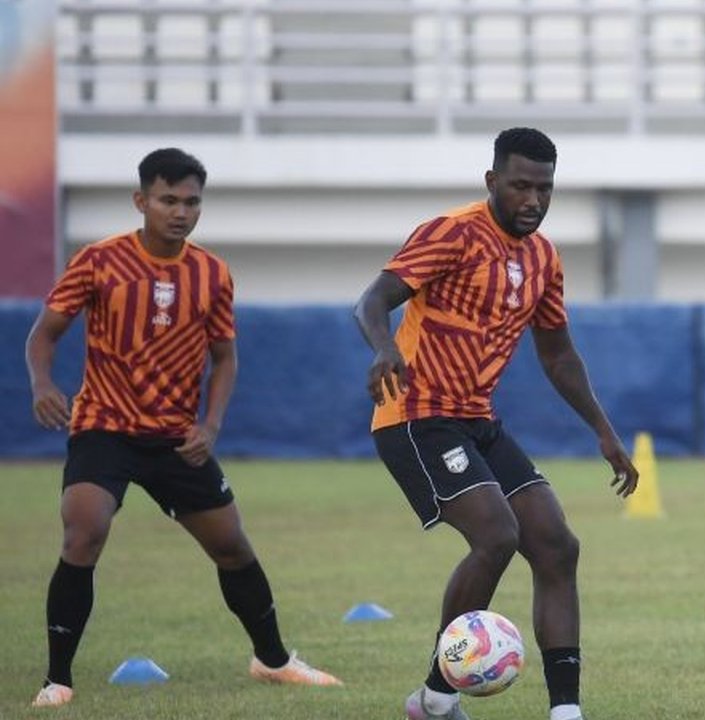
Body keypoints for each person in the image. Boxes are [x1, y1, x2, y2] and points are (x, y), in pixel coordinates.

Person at [24, 148, 341, 709]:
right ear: (141, 200)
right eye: (168, 200)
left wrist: (210, 426)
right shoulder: (98, 261)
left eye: (192, 202)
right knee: (84, 530)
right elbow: (43, 334)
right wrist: (43, 384)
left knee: (231, 546)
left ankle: (272, 661)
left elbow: (225, 358)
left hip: (175, 437)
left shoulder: (212, 273)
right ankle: (57, 680)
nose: (181, 212)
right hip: (105, 427)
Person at [353, 127, 639, 720]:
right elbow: (371, 301)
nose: (533, 200)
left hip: (476, 419)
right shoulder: (451, 233)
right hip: (416, 415)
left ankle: (565, 711)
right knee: (498, 535)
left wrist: (603, 430)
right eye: (520, 186)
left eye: (545, 188)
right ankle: (438, 695)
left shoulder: (544, 257)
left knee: (556, 545)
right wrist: (384, 348)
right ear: (492, 181)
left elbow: (558, 355)